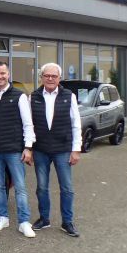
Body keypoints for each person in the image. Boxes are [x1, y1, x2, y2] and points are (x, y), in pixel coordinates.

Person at [0, 61, 37, 238]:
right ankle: (2, 217)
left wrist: (28, 148)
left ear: (8, 74)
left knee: (20, 187)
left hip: (14, 150)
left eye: (2, 73)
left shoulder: (19, 96)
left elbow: (28, 124)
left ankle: (24, 222)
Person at [30, 63, 82, 237]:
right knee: (41, 187)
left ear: (59, 78)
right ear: (41, 77)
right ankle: (44, 219)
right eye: (47, 75)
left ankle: (67, 222)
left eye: (54, 76)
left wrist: (76, 149)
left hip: (63, 149)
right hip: (40, 149)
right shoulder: (33, 97)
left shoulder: (69, 96)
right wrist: (28, 148)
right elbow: (28, 125)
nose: (50, 78)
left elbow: (76, 124)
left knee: (66, 188)